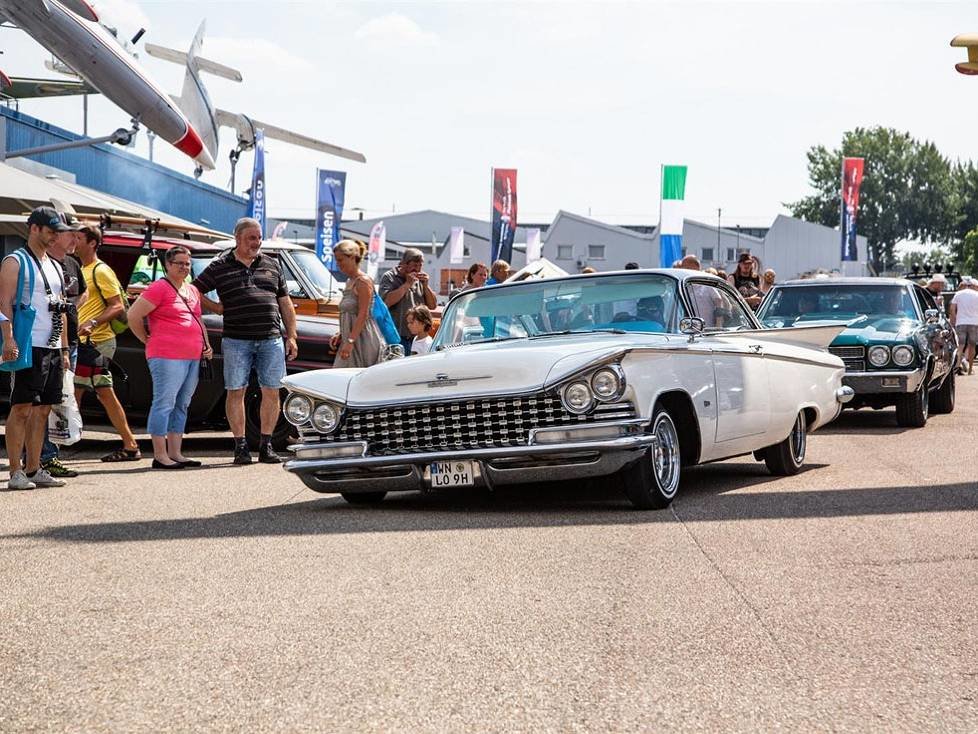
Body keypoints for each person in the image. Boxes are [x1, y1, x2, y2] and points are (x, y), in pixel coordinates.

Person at [192, 217, 298, 465]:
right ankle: (240, 446)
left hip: (271, 339)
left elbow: (285, 303)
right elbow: (193, 289)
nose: (257, 242)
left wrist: (291, 335)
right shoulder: (220, 265)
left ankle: (266, 445)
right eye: (251, 237)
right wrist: (216, 308)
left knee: (272, 391)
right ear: (238, 238)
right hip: (236, 339)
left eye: (259, 237)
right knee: (235, 390)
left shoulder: (272, 264)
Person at [0, 207, 72, 490]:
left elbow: (61, 309)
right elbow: (3, 303)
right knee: (21, 408)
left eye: (57, 231)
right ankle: (15, 471)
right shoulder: (14, 261)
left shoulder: (55, 264)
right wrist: (9, 339)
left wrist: (64, 349)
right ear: (34, 228)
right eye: (51, 230)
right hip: (28, 343)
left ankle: (34, 468)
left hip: (52, 346)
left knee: (43, 409)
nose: (55, 235)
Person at [127, 246, 213, 469]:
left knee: (182, 404)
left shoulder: (192, 290)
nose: (184, 267)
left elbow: (198, 320)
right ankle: (159, 454)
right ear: (168, 265)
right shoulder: (159, 288)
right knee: (164, 402)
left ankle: (176, 452)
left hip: (193, 354)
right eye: (179, 263)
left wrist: (206, 344)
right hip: (167, 355)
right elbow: (133, 315)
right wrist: (147, 339)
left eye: (187, 263)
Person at [73, 225, 142, 463]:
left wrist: (92, 321)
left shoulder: (100, 271)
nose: (74, 241)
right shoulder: (82, 269)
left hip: (97, 343)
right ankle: (129, 444)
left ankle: (130, 444)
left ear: (92, 243)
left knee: (89, 393)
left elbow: (117, 305)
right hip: (84, 343)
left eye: (79, 238)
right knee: (83, 393)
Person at [37, 212, 87, 478]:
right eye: (71, 234)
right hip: (46, 342)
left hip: (70, 342)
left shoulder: (71, 263)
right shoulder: (40, 263)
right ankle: (43, 456)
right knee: (43, 402)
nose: (74, 239)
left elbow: (81, 292)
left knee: (59, 401)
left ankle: (47, 454)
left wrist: (74, 311)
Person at [329, 240, 384, 368]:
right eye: (336, 260)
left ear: (352, 258)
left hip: (363, 340)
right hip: (350, 338)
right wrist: (342, 333)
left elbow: (363, 314)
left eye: (341, 260)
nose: (338, 264)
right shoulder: (349, 281)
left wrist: (350, 341)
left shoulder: (363, 282)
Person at [379, 248, 437, 352]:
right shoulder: (390, 277)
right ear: (404, 264)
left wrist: (426, 286)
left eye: (420, 266)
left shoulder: (420, 280)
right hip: (397, 336)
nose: (418, 269)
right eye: (415, 265)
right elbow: (386, 302)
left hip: (417, 338)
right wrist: (407, 284)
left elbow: (432, 305)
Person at [950, 277, 978, 376]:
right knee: (972, 346)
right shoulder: (976, 294)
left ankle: (957, 366)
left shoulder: (958, 294)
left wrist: (954, 320)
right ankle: (970, 369)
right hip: (974, 323)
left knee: (960, 346)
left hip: (961, 322)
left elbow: (952, 309)